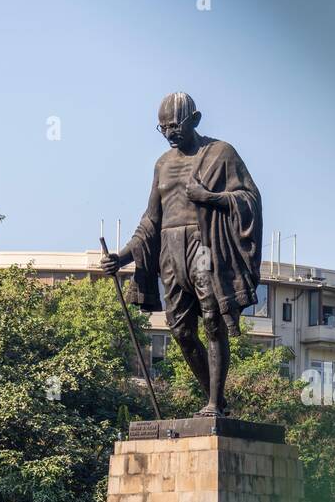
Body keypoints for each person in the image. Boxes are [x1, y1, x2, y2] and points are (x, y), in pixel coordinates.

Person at [100, 92, 262, 416]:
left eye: (174, 125)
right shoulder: (162, 164)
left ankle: (215, 403)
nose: (169, 133)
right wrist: (122, 257)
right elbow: (150, 221)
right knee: (181, 331)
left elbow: (249, 198)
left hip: (204, 245)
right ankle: (218, 400)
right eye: (162, 128)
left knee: (213, 322)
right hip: (170, 251)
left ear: (195, 119)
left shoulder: (221, 153)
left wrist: (210, 197)